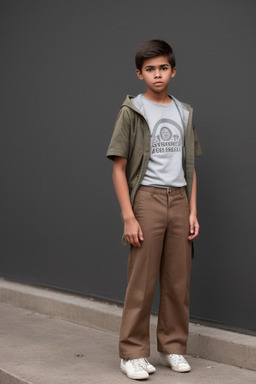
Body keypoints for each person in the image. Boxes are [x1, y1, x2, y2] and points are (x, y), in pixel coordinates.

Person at [106, 39, 202, 380]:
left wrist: (192, 210)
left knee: (178, 281)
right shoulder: (132, 111)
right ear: (139, 73)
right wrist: (128, 215)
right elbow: (118, 167)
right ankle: (131, 353)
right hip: (146, 200)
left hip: (179, 199)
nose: (157, 74)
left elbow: (189, 165)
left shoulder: (184, 112)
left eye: (163, 68)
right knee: (141, 282)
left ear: (173, 71)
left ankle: (173, 348)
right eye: (150, 69)